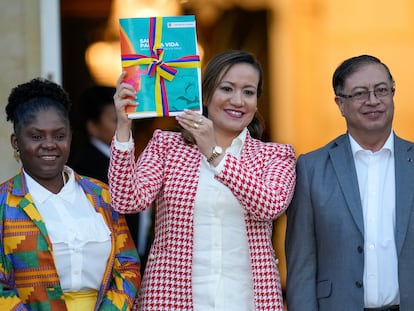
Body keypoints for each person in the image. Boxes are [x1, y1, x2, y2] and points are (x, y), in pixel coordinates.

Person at [108, 50, 296, 310]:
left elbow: (269, 206)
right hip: (171, 299)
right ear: (205, 94)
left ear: (257, 100)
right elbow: (127, 201)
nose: (238, 101)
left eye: (248, 92)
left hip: (248, 300)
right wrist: (123, 127)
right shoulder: (167, 145)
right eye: (227, 88)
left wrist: (214, 153)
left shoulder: (274, 155)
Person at [285, 54, 414, 310]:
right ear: (340, 104)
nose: (373, 101)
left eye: (381, 90)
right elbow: (302, 265)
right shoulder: (311, 168)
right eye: (359, 94)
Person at [0, 78, 140, 310]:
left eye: (59, 135)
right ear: (16, 142)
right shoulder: (5, 204)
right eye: (36, 136)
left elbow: (127, 265)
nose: (49, 144)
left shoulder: (101, 195)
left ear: (70, 137)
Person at [69, 85, 153, 275]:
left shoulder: (121, 158)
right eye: (116, 119)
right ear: (92, 126)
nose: (126, 123)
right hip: (112, 269)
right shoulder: (88, 167)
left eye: (127, 117)